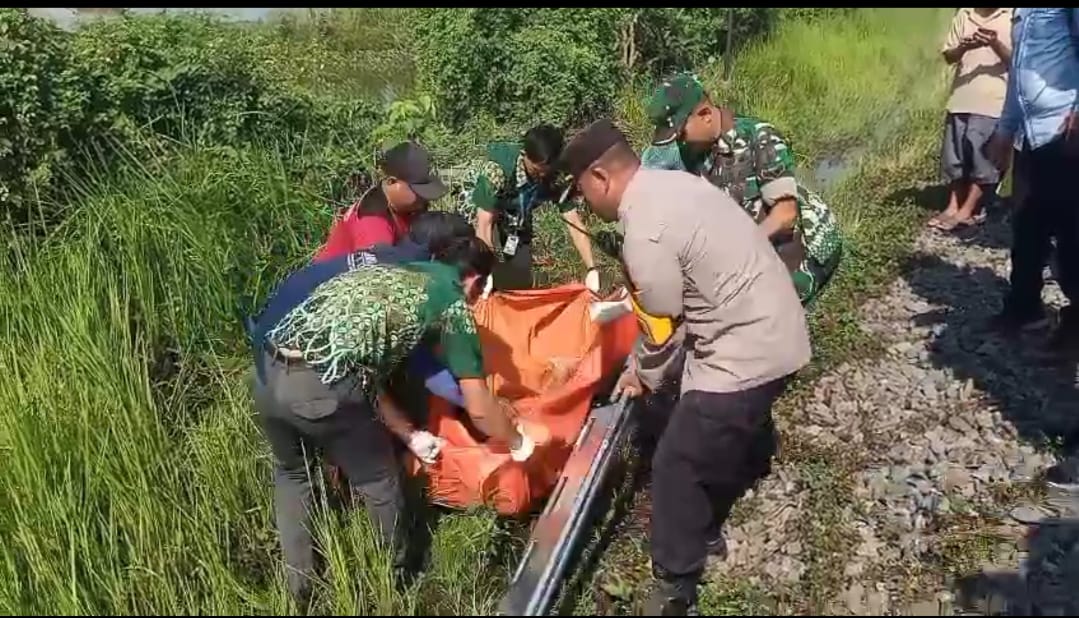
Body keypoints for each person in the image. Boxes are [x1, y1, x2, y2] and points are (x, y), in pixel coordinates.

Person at [560, 119, 812, 615]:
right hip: (772, 321)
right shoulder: (670, 183)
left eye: (583, 192)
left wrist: (640, 375)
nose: (586, 204)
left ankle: (675, 584)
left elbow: (663, 326)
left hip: (750, 347)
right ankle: (715, 507)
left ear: (599, 177)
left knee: (676, 461)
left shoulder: (644, 231)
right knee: (705, 428)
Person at [250, 218, 535, 604]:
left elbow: (365, 368)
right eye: (482, 288)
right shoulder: (450, 301)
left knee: (292, 473)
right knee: (378, 480)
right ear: (471, 279)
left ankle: (299, 588)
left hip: (267, 371)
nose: (479, 299)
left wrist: (409, 434)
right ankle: (396, 576)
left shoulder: (394, 272)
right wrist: (519, 442)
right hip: (319, 385)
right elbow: (482, 409)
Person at [640, 72, 843, 307]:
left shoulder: (758, 136)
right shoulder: (691, 154)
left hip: (796, 247)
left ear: (705, 115)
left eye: (681, 134)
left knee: (758, 317)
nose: (679, 142)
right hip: (745, 249)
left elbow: (785, 215)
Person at [983, 7, 1078, 359]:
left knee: (1072, 238)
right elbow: (1019, 72)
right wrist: (1006, 130)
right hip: (1031, 136)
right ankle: (1024, 309)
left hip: (1065, 134)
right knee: (1026, 228)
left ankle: (1074, 328)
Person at [470, 124, 600, 293]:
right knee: (475, 266)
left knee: (519, 277)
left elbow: (573, 221)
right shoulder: (497, 170)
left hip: (517, 215)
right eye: (537, 171)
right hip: (482, 206)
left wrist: (591, 268)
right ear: (525, 156)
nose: (543, 176)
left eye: (548, 171)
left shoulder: (556, 174)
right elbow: (483, 224)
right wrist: (485, 270)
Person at [929, 8, 1013, 232]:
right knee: (954, 157)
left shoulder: (1014, 15)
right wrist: (965, 46)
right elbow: (948, 56)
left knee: (982, 159)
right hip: (961, 98)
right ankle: (953, 205)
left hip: (994, 101)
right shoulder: (964, 14)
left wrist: (995, 43)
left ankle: (969, 210)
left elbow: (1018, 63)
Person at [314, 141, 448, 262]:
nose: (423, 198)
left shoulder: (406, 206)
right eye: (417, 191)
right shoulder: (372, 223)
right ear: (392, 182)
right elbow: (376, 276)